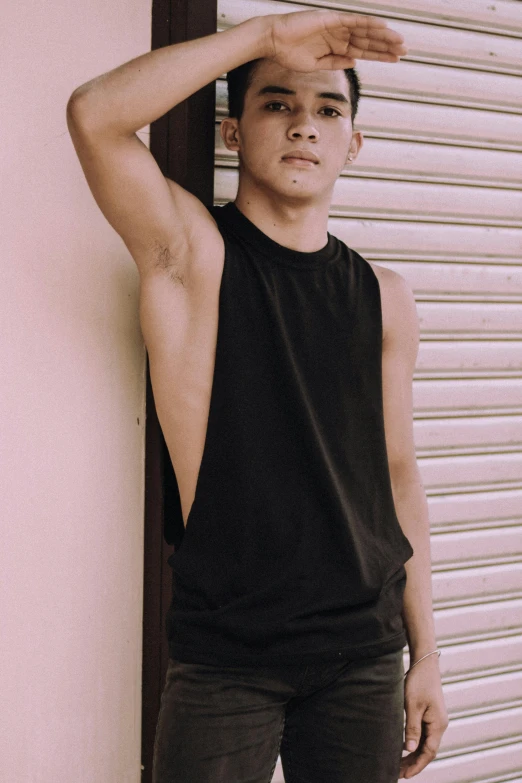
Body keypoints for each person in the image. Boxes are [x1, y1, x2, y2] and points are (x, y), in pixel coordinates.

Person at [67, 9, 449, 782]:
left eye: (327, 110)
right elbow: (94, 117)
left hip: (363, 656)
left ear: (354, 143)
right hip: (228, 659)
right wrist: (264, 39)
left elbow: (400, 475)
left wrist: (427, 653)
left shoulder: (386, 296)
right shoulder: (193, 255)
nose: (304, 126)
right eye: (277, 103)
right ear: (233, 132)